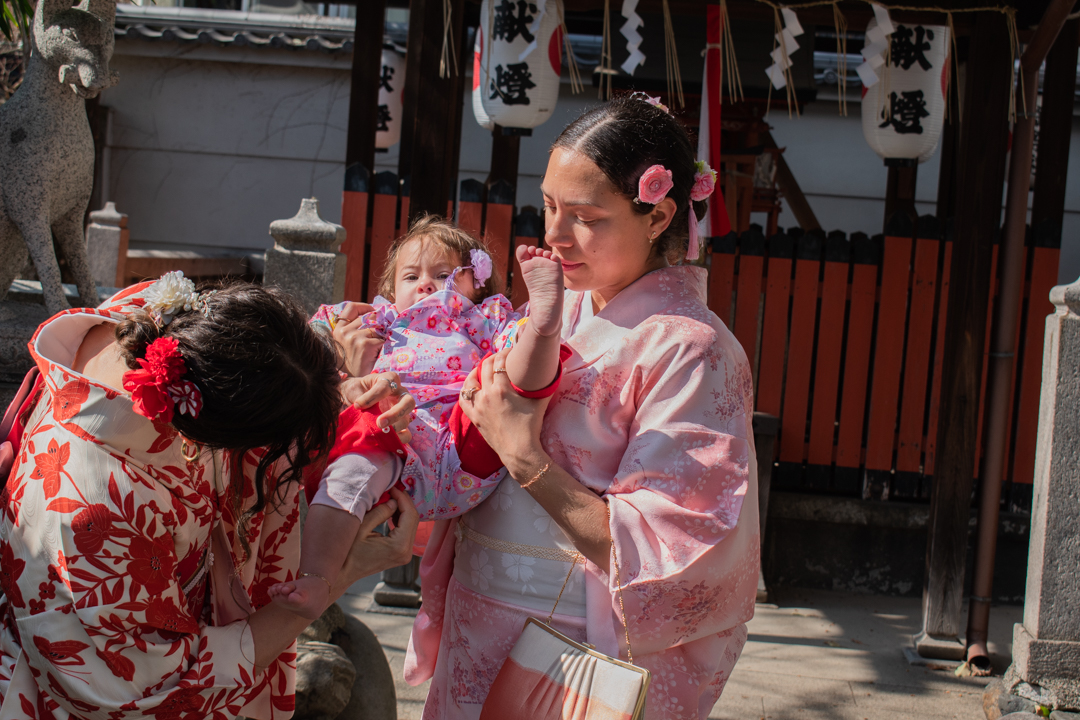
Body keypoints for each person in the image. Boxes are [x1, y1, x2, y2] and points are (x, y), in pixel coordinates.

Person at [397, 95, 761, 719]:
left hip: (576, 642)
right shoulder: (552, 310)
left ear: (658, 215)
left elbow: (669, 543)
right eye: (550, 207)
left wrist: (524, 457)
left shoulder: (694, 350)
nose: (556, 236)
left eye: (587, 217)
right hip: (476, 609)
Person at [0, 275, 419, 720]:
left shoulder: (165, 320)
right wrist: (336, 577)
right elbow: (158, 691)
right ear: (212, 436)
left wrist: (330, 394)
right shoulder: (91, 508)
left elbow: (253, 375)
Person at [270, 216, 569, 620]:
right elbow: (316, 328)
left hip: (464, 442)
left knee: (499, 380)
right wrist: (337, 339)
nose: (425, 284)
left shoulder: (483, 318)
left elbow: (509, 352)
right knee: (355, 453)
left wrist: (526, 332)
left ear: (476, 283)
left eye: (443, 274)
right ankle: (315, 575)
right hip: (395, 437)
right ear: (392, 290)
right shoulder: (385, 319)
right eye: (411, 276)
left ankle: (544, 326)